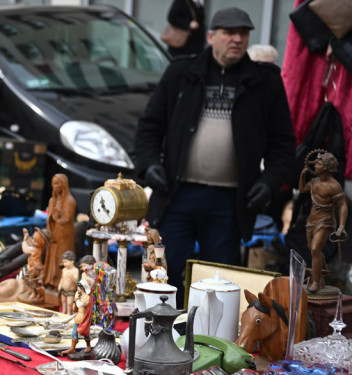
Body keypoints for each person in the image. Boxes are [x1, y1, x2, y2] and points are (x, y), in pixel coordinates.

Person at [134, 7, 295, 301]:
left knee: (218, 280)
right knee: (163, 274)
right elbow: (149, 127)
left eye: (243, 33)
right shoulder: (181, 73)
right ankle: (157, 337)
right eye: (229, 33)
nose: (237, 39)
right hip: (177, 194)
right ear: (210, 37)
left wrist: (269, 182)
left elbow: (283, 143)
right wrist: (149, 164)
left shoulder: (264, 81)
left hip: (229, 201)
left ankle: (208, 340)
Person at [298, 150, 348, 292]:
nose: (315, 166)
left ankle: (315, 281)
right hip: (311, 220)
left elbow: (342, 205)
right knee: (312, 249)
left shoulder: (334, 186)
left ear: (326, 167)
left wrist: (341, 226)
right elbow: (302, 190)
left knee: (315, 249)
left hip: (325, 221)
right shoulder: (313, 182)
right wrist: (302, 176)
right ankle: (321, 272)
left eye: (318, 164)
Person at [42, 173, 77, 288]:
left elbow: (67, 219)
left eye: (57, 183)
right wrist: (52, 217)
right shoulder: (52, 200)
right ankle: (50, 281)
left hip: (64, 235)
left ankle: (60, 284)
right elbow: (49, 217)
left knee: (61, 257)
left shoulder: (70, 201)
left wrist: (57, 216)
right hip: (53, 233)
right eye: (53, 184)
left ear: (64, 184)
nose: (55, 186)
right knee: (51, 257)